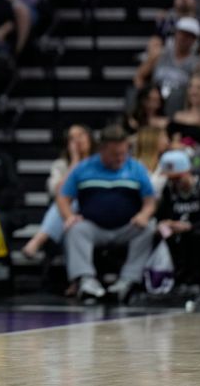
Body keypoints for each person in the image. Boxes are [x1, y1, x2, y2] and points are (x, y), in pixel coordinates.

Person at [58, 124, 156, 302]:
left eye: (123, 153)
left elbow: (150, 201)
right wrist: (69, 217)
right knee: (75, 229)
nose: (120, 158)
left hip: (127, 227)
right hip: (94, 227)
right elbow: (64, 197)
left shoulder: (136, 168)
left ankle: (128, 280)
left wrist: (144, 214)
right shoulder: (84, 168)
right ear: (102, 150)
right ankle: (86, 281)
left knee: (148, 228)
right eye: (114, 154)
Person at [21, 124, 94, 260]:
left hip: (94, 207)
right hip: (70, 214)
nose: (77, 140)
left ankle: (38, 240)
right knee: (65, 206)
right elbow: (59, 191)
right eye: (72, 138)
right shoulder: (60, 165)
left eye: (81, 135)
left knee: (68, 205)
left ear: (90, 137)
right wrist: (75, 162)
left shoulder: (99, 163)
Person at [155, 150, 200, 288]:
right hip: (176, 236)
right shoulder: (169, 189)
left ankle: (196, 280)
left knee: (196, 236)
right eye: (171, 179)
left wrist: (189, 226)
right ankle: (171, 279)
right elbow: (163, 216)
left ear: (188, 171)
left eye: (178, 178)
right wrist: (164, 225)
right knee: (165, 236)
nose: (174, 182)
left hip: (199, 233)